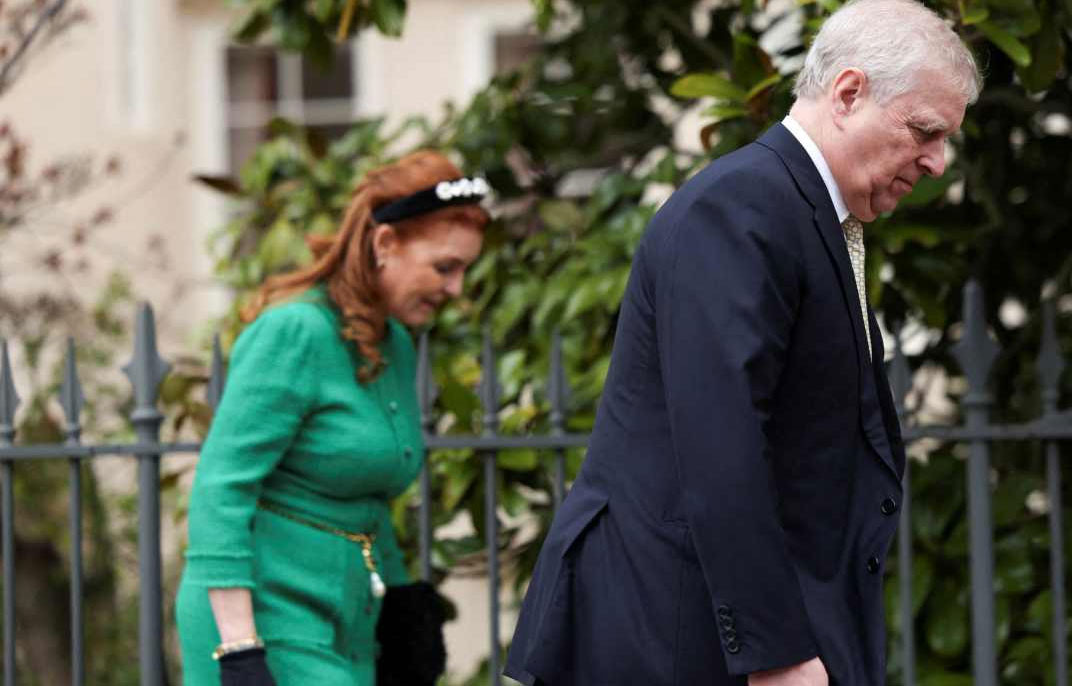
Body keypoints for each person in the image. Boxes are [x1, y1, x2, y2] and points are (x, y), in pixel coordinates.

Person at [504, 1, 980, 684]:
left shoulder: (792, 206)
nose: (937, 162)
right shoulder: (740, 207)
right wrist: (775, 653)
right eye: (925, 131)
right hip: (675, 639)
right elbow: (720, 443)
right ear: (849, 93)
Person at [175, 151, 489, 685]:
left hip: (349, 625)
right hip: (262, 623)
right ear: (385, 244)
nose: (456, 289)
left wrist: (403, 608)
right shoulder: (296, 332)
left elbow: (365, 498)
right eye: (445, 267)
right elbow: (220, 489)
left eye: (463, 269)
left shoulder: (394, 343)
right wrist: (240, 651)